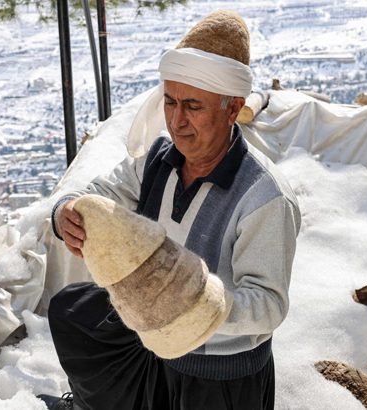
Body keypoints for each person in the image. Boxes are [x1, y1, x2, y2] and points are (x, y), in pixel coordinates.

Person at [39, 10, 301, 410]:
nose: (177, 122)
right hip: (151, 340)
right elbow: (102, 191)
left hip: (219, 373)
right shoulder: (159, 160)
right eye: (170, 102)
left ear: (232, 110)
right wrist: (67, 212)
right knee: (72, 312)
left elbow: (268, 304)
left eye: (193, 106)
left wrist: (197, 304)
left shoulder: (263, 197)